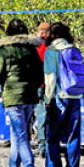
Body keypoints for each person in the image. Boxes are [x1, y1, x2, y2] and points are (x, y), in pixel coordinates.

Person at [0, 19, 45, 167]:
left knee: (20, 136)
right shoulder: (31, 49)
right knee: (18, 134)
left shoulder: (5, 50)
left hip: (13, 98)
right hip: (30, 97)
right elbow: (40, 73)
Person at [44, 22, 84, 167]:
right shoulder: (73, 50)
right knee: (73, 136)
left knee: (52, 135)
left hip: (59, 97)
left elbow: (50, 78)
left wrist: (47, 99)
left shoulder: (51, 51)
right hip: (75, 95)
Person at [33, 22, 51, 159]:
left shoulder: (32, 46)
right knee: (42, 115)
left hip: (32, 85)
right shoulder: (44, 48)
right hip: (43, 86)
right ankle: (43, 147)